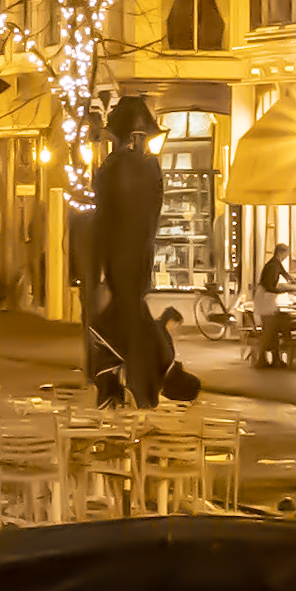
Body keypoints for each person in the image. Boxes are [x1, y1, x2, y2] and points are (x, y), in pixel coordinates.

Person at [84, 89, 168, 406]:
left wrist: (94, 273)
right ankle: (141, 384)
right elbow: (154, 214)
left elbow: (102, 221)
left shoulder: (110, 170)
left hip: (119, 261)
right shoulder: (151, 169)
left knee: (117, 321)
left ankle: (115, 382)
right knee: (130, 318)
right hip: (140, 260)